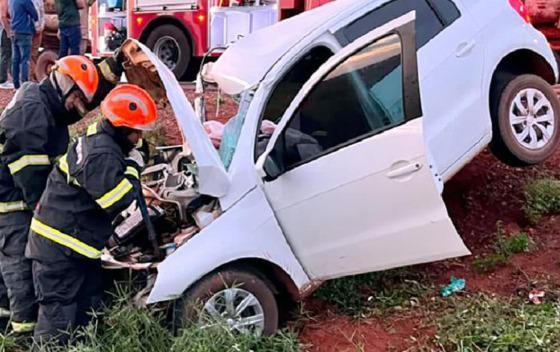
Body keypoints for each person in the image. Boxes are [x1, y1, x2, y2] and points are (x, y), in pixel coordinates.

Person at [0, 51, 125, 335]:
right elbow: (33, 185)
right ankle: (23, 335)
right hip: (12, 205)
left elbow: (75, 104)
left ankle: (12, 327)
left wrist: (111, 70)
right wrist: (52, 217)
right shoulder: (31, 116)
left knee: (13, 271)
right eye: (76, 97)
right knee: (21, 270)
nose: (77, 107)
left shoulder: (45, 99)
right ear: (64, 84)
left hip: (18, 197)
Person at [26, 84, 157, 345]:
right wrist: (133, 166)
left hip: (75, 247)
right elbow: (118, 200)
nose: (140, 138)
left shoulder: (101, 137)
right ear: (122, 128)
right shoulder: (100, 155)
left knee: (88, 311)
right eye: (137, 132)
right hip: (59, 251)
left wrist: (128, 155)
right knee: (57, 324)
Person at [9, 0, 37, 89]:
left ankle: (16, 85)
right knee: (25, 59)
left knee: (15, 59)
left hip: (14, 31)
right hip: (24, 32)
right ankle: (24, 85)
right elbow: (34, 15)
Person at [29, 0, 43, 81]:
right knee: (28, 54)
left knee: (34, 54)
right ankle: (31, 76)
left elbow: (41, 13)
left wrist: (41, 26)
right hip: (30, 29)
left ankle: (33, 74)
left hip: (38, 30)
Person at [0, 0, 12, 89]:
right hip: (5, 30)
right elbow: (3, 16)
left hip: (6, 29)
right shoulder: (4, 1)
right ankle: (2, 80)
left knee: (8, 53)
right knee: (5, 53)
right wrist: (8, 31)